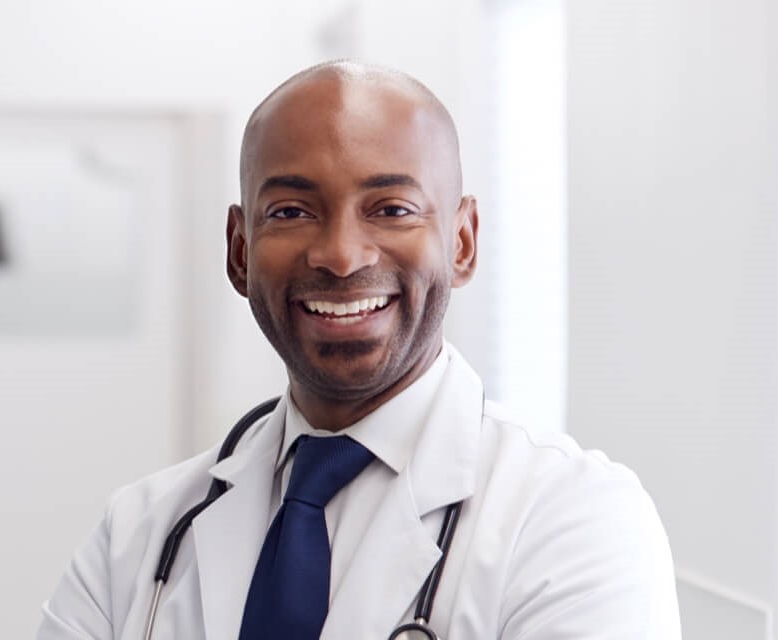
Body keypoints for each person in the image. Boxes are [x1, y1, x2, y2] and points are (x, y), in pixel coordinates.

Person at [37, 61, 681, 639]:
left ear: (461, 243)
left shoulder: (575, 522)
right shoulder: (140, 533)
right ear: (238, 250)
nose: (341, 256)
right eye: (291, 212)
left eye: (392, 208)